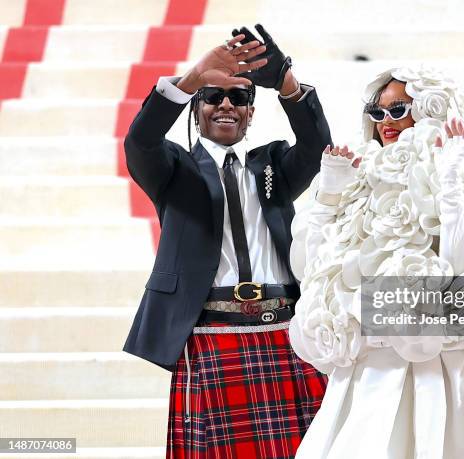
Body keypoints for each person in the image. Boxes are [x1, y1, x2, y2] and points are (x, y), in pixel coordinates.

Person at [288, 66, 464, 458]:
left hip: (438, 365)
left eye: (397, 109)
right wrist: (329, 197)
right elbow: (311, 268)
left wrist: (449, 184)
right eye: (376, 113)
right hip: (370, 365)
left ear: (430, 108)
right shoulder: (360, 176)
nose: (385, 123)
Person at [122, 24, 330, 458]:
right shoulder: (172, 169)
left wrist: (286, 82)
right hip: (211, 333)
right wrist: (193, 78)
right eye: (213, 97)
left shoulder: (273, 165)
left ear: (252, 112)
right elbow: (140, 140)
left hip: (285, 331)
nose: (226, 105)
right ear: (196, 109)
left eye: (240, 98)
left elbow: (317, 147)